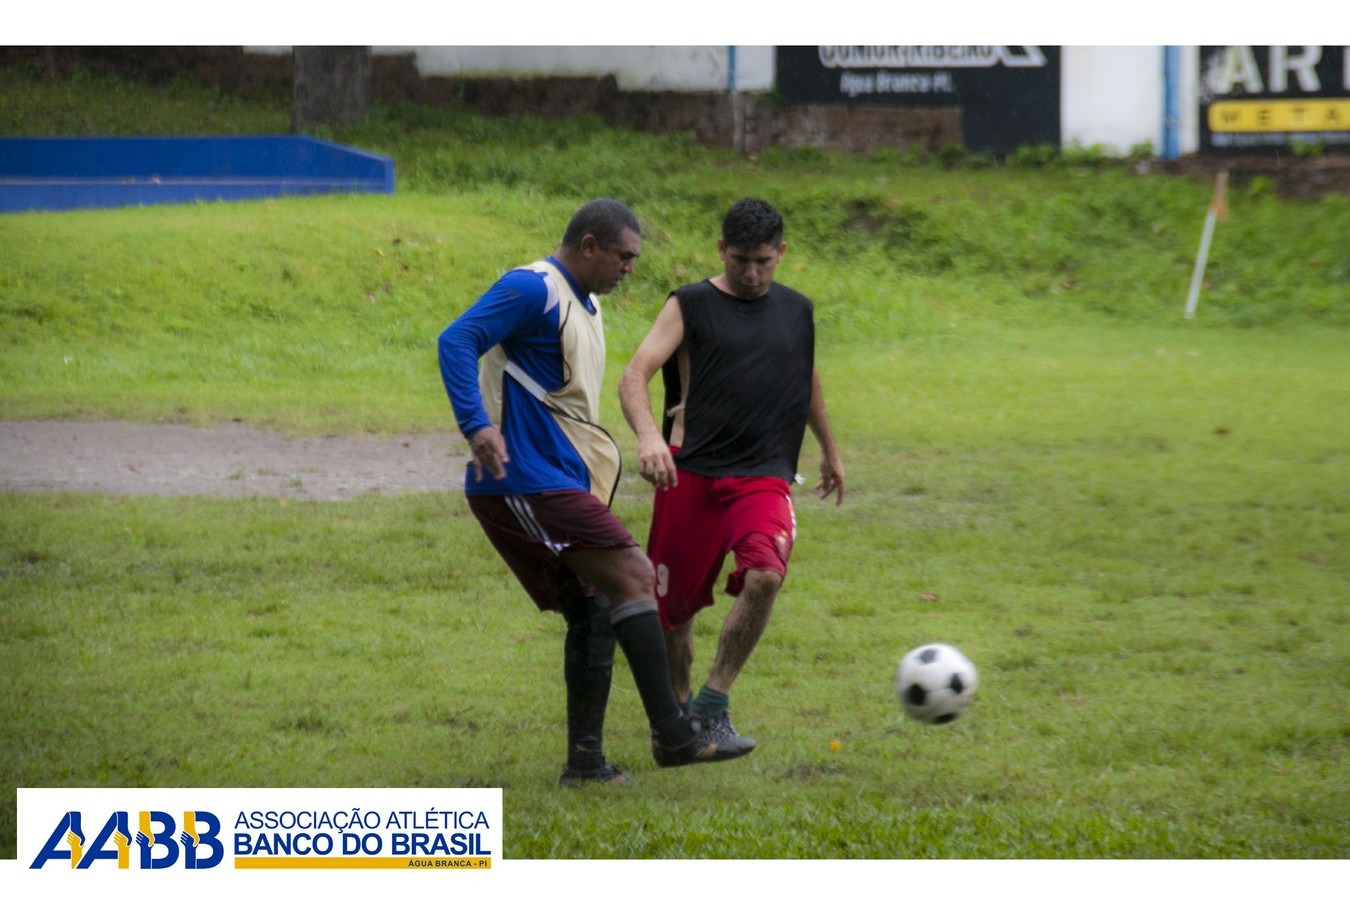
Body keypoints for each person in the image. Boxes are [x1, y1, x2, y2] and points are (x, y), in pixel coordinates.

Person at [437, 198, 755, 787]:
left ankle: (585, 764)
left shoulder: (585, 304)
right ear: (588, 246)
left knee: (596, 607)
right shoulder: (533, 288)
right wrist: (476, 426)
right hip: (520, 481)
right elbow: (456, 340)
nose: (629, 268)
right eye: (623, 256)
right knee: (632, 575)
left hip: (554, 480)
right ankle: (674, 735)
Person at [618, 197, 845, 751]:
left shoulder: (797, 311)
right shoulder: (690, 304)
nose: (751, 272)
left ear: (781, 253)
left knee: (766, 574)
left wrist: (828, 449)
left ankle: (713, 704)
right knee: (673, 617)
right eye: (740, 258)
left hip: (763, 473)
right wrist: (651, 439)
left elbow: (805, 377)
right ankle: (676, 726)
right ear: (720, 248)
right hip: (689, 473)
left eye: (763, 261)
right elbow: (635, 375)